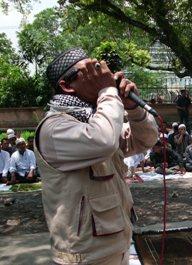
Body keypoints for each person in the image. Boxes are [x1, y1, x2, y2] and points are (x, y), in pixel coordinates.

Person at [34, 48, 159, 265]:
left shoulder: (97, 119)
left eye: (100, 68)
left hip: (116, 245)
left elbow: (145, 140)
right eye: (93, 71)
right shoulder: (54, 128)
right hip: (85, 255)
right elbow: (104, 141)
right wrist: (108, 91)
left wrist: (134, 110)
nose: (104, 75)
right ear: (66, 85)